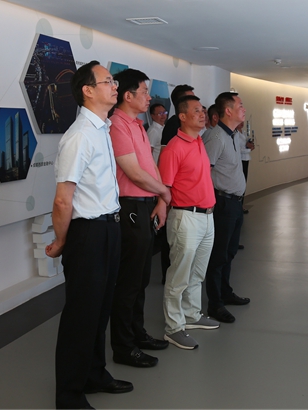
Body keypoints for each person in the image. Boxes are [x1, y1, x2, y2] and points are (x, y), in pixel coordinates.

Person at [47, 60, 132, 409]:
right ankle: (69, 396)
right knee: (81, 316)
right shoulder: (80, 135)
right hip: (87, 234)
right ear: (87, 90)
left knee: (100, 310)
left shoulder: (101, 128)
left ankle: (94, 374)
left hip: (108, 228)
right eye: (107, 81)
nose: (115, 86)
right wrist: (62, 241)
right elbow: (62, 200)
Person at [108, 68, 171, 368]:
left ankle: (138, 334)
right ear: (128, 95)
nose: (149, 97)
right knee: (129, 281)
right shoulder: (117, 125)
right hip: (130, 206)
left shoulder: (137, 125)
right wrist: (166, 193)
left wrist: (160, 199)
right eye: (144, 92)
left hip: (146, 205)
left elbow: (150, 167)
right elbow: (133, 173)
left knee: (142, 277)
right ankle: (124, 347)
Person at [159, 94, 220, 349]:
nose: (202, 114)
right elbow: (164, 187)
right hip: (185, 217)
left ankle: (192, 314)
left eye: (203, 110)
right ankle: (174, 327)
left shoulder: (199, 142)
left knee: (197, 272)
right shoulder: (174, 148)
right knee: (179, 275)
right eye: (196, 110)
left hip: (207, 216)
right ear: (182, 117)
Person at [202, 92, 251, 323]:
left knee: (229, 252)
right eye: (240, 105)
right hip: (222, 203)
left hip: (235, 203)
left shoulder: (232, 135)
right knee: (218, 255)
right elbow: (205, 171)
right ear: (228, 111)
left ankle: (225, 292)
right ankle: (215, 303)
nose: (244, 109)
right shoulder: (216, 137)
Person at [158, 84, 195, 284]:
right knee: (172, 241)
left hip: (186, 195)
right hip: (176, 195)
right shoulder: (174, 125)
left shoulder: (190, 130)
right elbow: (167, 164)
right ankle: (169, 276)